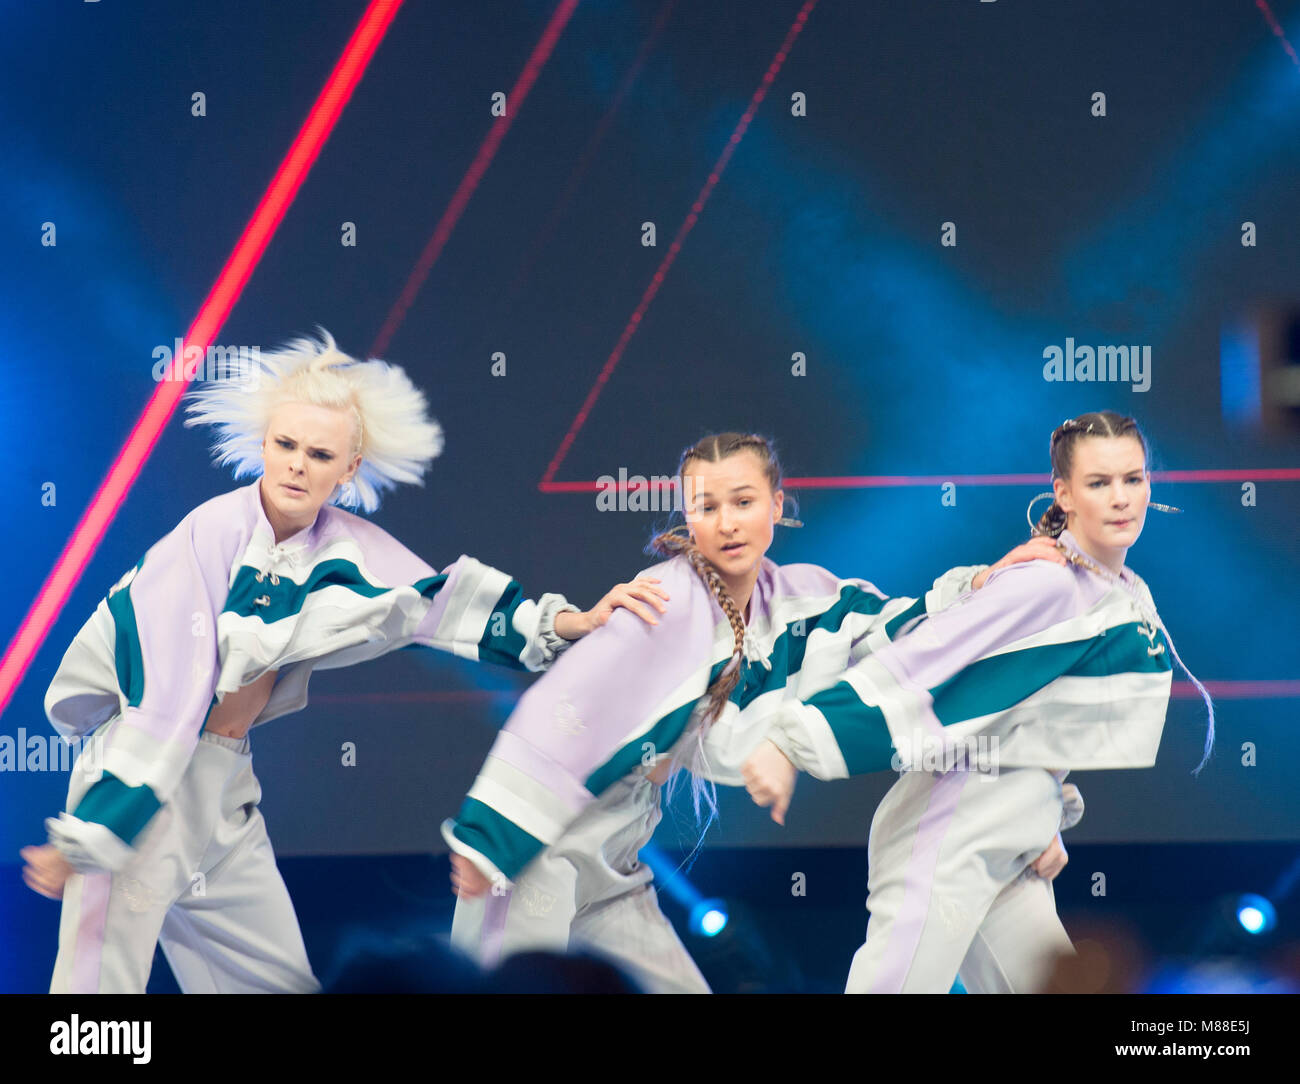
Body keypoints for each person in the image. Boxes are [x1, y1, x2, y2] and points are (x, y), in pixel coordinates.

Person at [20, 331, 665, 994]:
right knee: (97, 995)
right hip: (145, 771)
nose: (297, 466)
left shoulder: (354, 550)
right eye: (285, 446)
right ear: (264, 445)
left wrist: (574, 621)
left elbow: (446, 605)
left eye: (319, 454)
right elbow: (160, 701)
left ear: (348, 469)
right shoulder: (207, 536)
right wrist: (93, 834)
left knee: (278, 983)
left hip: (222, 784)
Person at [444, 432, 1067, 993]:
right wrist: (487, 838)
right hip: (538, 853)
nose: (726, 523)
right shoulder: (665, 604)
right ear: (688, 517)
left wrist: (983, 585)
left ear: (777, 504)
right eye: (706, 507)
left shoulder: (803, 596)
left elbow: (899, 630)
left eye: (743, 501)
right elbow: (561, 706)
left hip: (614, 869)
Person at [741, 411, 1215, 993]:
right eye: (1099, 483)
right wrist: (792, 742)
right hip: (947, 842)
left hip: (1004, 848)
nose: (1121, 498)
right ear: (1063, 494)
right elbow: (923, 662)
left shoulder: (1118, 589)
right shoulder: (1048, 583)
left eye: (1133, 479)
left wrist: (1043, 810)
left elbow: (1032, 720)